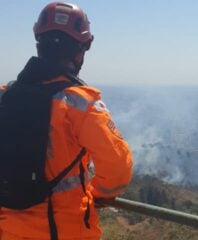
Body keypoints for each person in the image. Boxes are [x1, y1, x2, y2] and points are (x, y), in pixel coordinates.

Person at [0, 2, 132, 240]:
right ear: (82, 49)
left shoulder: (3, 96)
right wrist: (99, 193)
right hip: (63, 231)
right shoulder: (80, 104)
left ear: (38, 42)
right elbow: (118, 168)